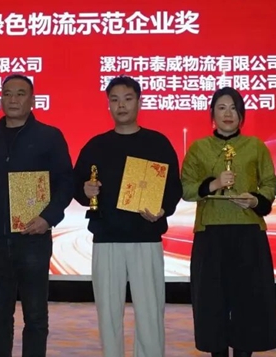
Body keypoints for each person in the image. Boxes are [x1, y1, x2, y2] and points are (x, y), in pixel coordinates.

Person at [73, 76, 182, 357]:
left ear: (139, 102)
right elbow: (77, 185)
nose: (121, 105)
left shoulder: (157, 143)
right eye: (114, 100)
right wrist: (85, 191)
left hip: (146, 237)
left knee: (150, 312)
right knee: (108, 314)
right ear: (108, 104)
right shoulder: (96, 146)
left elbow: (173, 188)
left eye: (128, 99)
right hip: (106, 238)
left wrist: (162, 209)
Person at [0, 74, 74, 357]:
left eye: (20, 94)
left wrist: (48, 218)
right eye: (7, 94)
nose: (13, 100)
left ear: (32, 100)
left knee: (35, 315)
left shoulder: (49, 136)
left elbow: (66, 182)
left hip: (33, 237)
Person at [180, 87, 276, 357]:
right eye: (221, 107)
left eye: (234, 108)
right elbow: (186, 188)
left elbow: (269, 183)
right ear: (212, 113)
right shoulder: (199, 147)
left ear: (242, 114)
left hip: (248, 233)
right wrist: (212, 184)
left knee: (249, 301)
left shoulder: (255, 146)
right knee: (211, 302)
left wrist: (256, 200)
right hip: (210, 234)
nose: (228, 113)